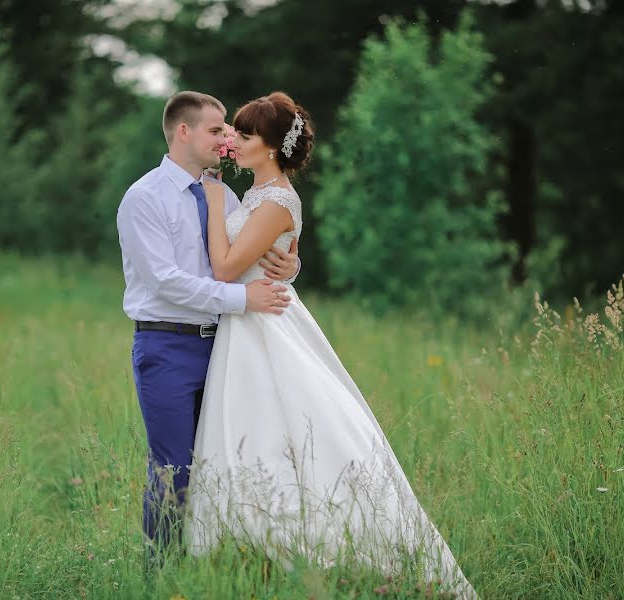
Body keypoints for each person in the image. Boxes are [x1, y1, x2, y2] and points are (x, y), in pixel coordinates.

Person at [186, 91, 477, 598]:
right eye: (234, 130)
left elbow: (227, 268)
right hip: (246, 322)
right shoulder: (252, 195)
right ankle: (248, 554)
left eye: (247, 133)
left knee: (298, 430)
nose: (236, 139)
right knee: (254, 431)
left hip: (267, 325)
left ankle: (330, 549)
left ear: (272, 147)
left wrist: (213, 206)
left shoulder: (276, 200)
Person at [116, 91, 302, 558]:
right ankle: (160, 576)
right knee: (174, 469)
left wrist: (288, 266)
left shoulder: (227, 194)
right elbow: (165, 282)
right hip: (169, 347)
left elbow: (247, 255)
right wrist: (243, 296)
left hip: (226, 346)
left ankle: (219, 565)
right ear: (184, 132)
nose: (226, 141)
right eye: (217, 130)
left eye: (230, 132)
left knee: (226, 465)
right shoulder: (144, 198)